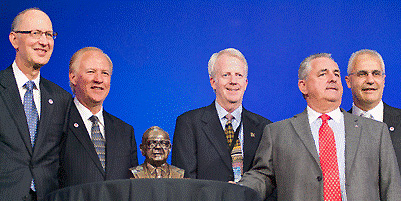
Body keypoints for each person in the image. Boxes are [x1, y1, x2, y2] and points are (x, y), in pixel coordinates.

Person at [238, 53, 401, 200]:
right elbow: (261, 177)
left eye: (336, 74)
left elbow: (392, 189)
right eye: (323, 74)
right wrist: (234, 191)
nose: (333, 78)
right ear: (303, 86)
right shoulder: (278, 133)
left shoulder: (376, 132)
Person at [0, 8, 72, 200]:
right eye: (36, 33)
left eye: (49, 34)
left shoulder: (61, 98)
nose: (44, 41)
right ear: (14, 39)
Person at [171, 48, 271, 183]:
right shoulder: (189, 124)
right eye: (226, 75)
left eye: (239, 75)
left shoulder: (265, 128)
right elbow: (185, 184)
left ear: (245, 83)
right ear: (213, 82)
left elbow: (269, 180)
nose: (233, 81)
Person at [58, 47, 138, 188]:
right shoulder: (57, 122)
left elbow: (132, 187)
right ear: (73, 77)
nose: (99, 79)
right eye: (91, 72)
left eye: (105, 73)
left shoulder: (125, 131)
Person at [345, 49, 401, 170]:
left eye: (376, 73)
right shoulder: (337, 126)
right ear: (348, 81)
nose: (370, 80)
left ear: (384, 80)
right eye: (362, 74)